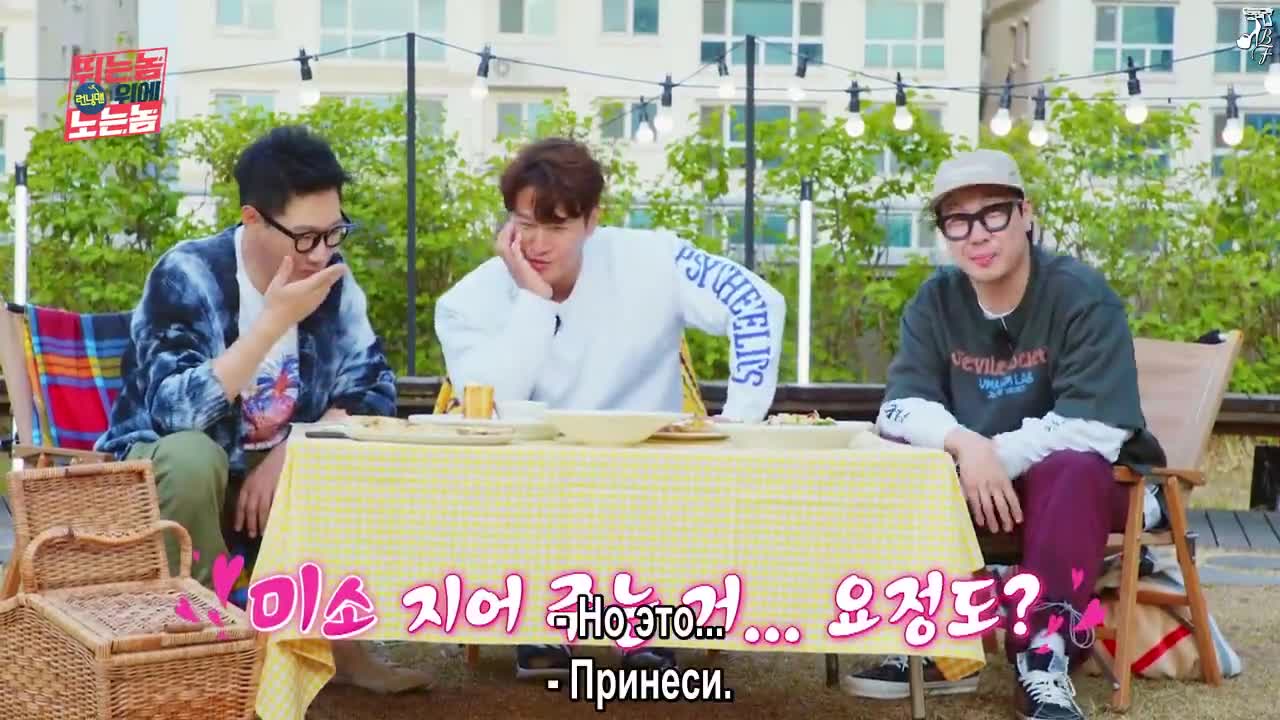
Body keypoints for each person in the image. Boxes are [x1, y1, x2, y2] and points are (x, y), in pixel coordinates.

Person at [435, 137, 786, 679]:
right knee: (517, 477)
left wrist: (741, 418)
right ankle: (538, 619)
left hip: (646, 474)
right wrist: (533, 297)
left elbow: (755, 300)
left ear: (592, 220)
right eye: (524, 224)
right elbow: (497, 402)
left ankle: (645, 622)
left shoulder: (652, 257)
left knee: (654, 484)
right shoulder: (467, 301)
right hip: (533, 481)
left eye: (557, 227)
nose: (537, 243)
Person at [96, 126, 429, 694]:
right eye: (306, 237)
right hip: (171, 468)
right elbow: (174, 414)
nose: (322, 252)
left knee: (341, 453)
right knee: (194, 457)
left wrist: (293, 449)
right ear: (252, 219)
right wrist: (272, 321)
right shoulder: (189, 274)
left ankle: (342, 648)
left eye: (334, 232)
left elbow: (373, 389)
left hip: (271, 472)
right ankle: (212, 646)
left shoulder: (333, 283)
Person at [845, 148, 1166, 720]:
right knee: (900, 455)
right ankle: (944, 645)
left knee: (1071, 466)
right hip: (982, 486)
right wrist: (967, 448)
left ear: (1025, 213)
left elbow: (1096, 424)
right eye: (957, 220)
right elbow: (898, 407)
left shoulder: (1080, 295)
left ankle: (1044, 657)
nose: (977, 234)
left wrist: (995, 456)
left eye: (992, 214)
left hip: (1089, 487)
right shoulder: (936, 301)